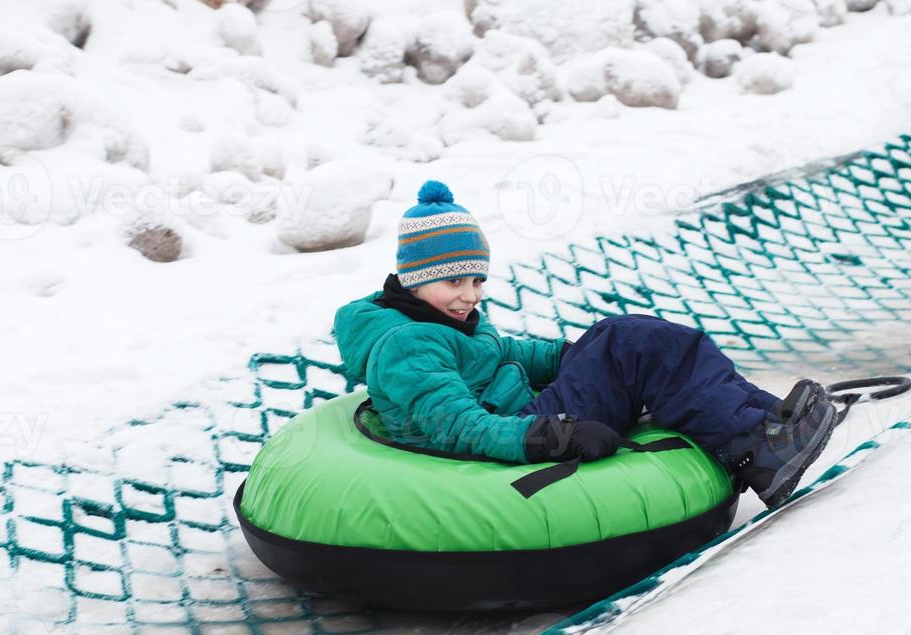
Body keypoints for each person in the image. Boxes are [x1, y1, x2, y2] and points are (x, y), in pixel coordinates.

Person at [333, 180, 836, 507]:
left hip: (519, 409)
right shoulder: (408, 347)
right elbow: (460, 428)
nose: (469, 296)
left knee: (626, 340)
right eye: (455, 283)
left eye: (477, 281)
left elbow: (505, 353)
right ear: (415, 278)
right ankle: (758, 453)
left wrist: (576, 353)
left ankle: (770, 423)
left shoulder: (442, 319)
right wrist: (553, 436)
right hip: (515, 425)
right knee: (633, 342)